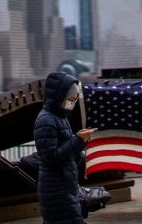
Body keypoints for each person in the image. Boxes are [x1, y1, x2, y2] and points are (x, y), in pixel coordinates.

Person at [34, 72, 96, 224]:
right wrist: (77, 140)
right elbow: (52, 156)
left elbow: (66, 152)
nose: (72, 104)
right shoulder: (46, 119)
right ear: (59, 97)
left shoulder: (60, 117)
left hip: (65, 185)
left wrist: (81, 141)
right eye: (70, 100)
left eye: (74, 101)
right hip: (56, 188)